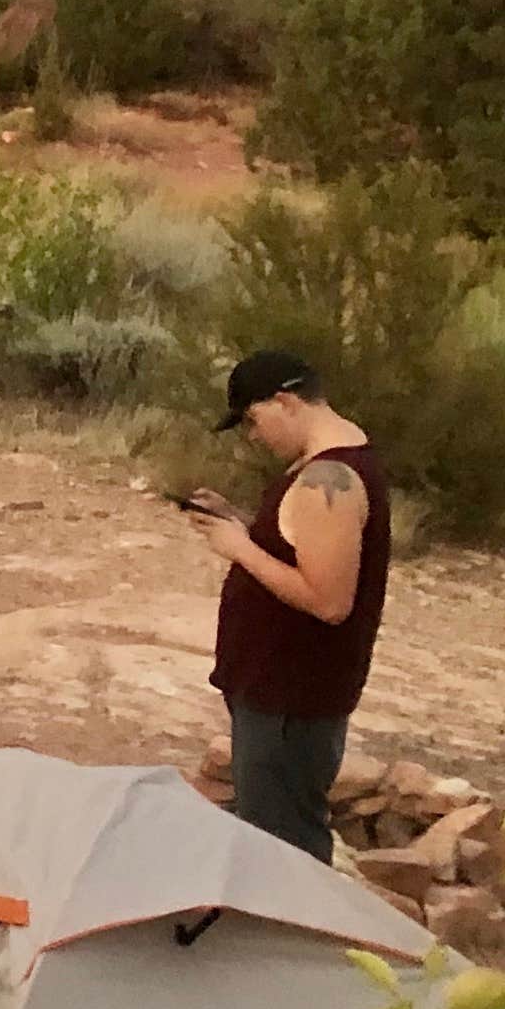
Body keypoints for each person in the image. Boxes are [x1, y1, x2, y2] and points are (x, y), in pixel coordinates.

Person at [185, 349, 391, 863]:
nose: (253, 437)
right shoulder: (330, 462)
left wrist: (240, 548)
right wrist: (240, 523)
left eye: (253, 421)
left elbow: (329, 601)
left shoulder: (330, 478)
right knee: (269, 834)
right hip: (276, 693)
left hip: (289, 701)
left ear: (285, 401)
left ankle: (295, 919)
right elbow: (300, 546)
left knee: (282, 852)